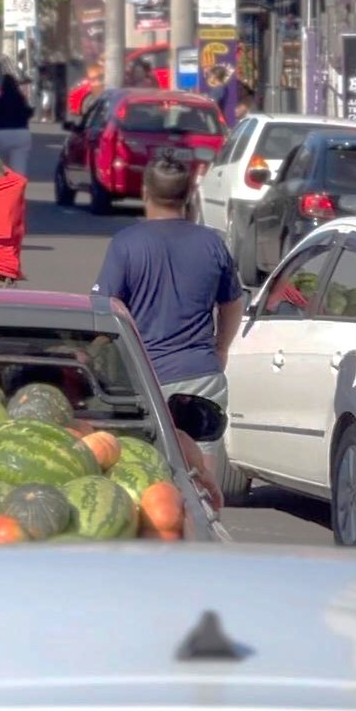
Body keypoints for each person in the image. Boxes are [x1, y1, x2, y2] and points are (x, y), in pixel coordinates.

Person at [91, 154, 244, 476]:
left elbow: (105, 313)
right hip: (200, 377)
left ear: (145, 192)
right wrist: (221, 348)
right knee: (202, 477)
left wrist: (91, 355)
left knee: (144, 476)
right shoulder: (212, 243)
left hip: (141, 380)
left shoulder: (126, 244)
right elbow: (232, 303)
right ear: (190, 193)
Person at [0, 73, 33, 177]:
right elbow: (29, 113)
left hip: (2, 134)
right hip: (22, 134)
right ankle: (19, 190)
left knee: (1, 168)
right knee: (19, 170)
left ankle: (5, 189)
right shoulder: (21, 100)